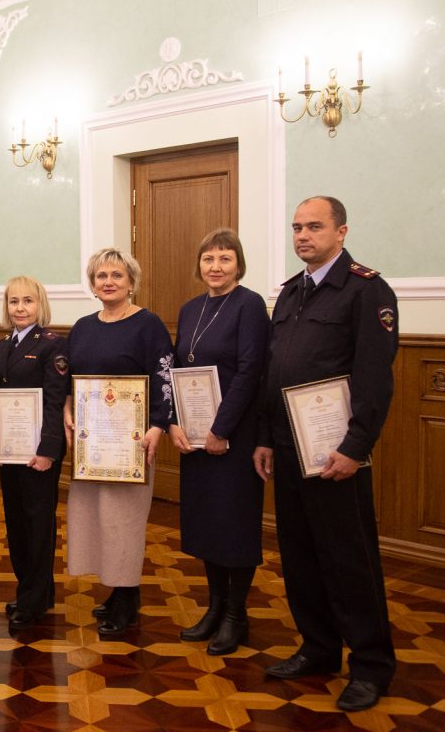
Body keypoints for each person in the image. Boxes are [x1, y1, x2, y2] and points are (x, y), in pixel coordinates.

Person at [253, 196, 398, 712]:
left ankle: (371, 665)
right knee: (300, 556)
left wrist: (355, 447)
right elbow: (273, 372)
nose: (302, 236)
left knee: (348, 560)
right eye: (297, 227)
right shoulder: (291, 292)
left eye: (314, 226)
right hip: (289, 447)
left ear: (341, 231)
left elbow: (375, 378)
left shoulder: (365, 289)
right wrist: (266, 436)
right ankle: (318, 648)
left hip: (336, 453)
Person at [167, 229, 269, 655]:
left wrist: (221, 429)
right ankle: (214, 608)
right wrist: (174, 421)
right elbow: (177, 370)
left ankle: (235, 616)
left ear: (238, 264)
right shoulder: (190, 308)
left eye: (225, 259)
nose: (216, 266)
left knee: (234, 525)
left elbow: (250, 372)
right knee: (207, 523)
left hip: (235, 435)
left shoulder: (250, 305)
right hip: (195, 436)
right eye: (209, 259)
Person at [62, 248, 172, 637]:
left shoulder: (148, 325)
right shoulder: (82, 327)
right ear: (93, 285)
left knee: (124, 518)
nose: (108, 282)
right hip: (92, 444)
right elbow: (69, 378)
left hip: (131, 443)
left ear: (131, 282)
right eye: (101, 276)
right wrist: (66, 406)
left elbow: (165, 377)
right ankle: (115, 588)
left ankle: (128, 596)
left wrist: (159, 425)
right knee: (95, 516)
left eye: (117, 275)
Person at [0, 275, 69, 632]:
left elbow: (55, 401)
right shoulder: (2, 346)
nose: (20, 308)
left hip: (38, 453)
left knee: (38, 525)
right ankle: (34, 591)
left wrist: (48, 450)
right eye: (14, 301)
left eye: (28, 301)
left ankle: (33, 600)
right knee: (17, 522)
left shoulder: (53, 345)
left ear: (40, 304)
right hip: (9, 450)